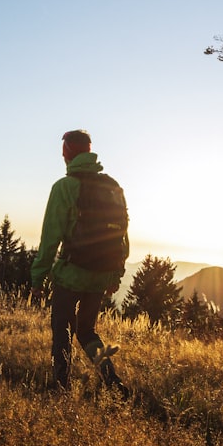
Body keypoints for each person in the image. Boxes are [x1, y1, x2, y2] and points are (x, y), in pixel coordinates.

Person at [31, 130, 130, 396]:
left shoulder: (64, 187)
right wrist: (115, 275)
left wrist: (38, 278)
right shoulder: (112, 186)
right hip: (101, 274)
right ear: (89, 152)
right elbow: (122, 234)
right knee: (86, 331)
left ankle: (61, 387)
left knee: (61, 327)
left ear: (67, 152)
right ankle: (112, 381)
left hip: (71, 274)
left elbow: (50, 236)